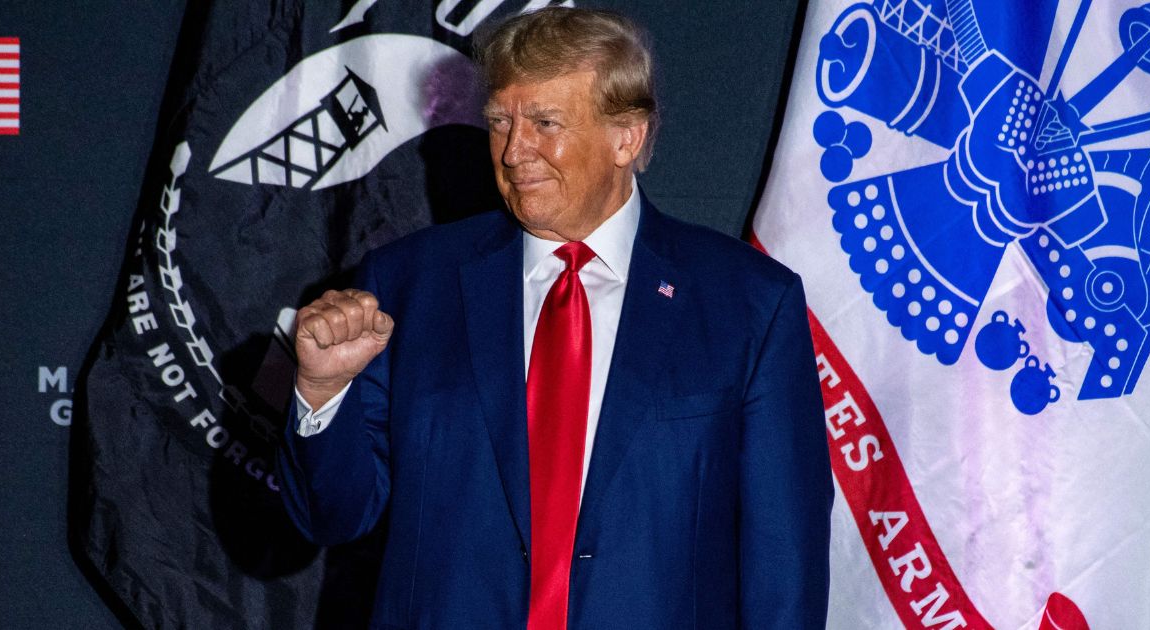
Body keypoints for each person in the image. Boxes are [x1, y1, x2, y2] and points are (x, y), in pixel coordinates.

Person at [277, 7, 832, 628]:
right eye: (499, 123)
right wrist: (323, 391)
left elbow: (786, 563)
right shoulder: (408, 286)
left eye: (544, 122)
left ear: (628, 136)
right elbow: (331, 516)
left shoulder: (749, 303)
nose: (515, 152)